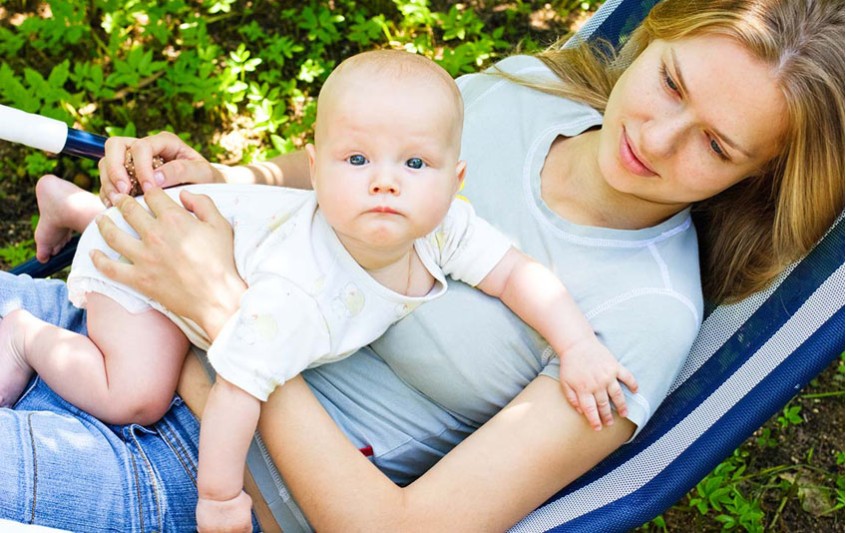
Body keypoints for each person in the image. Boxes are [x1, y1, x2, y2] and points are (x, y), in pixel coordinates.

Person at [0, 0, 842, 531]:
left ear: (754, 176)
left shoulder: (640, 319)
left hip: (195, 480)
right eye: (671, 83)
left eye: (716, 144)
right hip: (132, 323)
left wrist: (226, 320)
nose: (657, 138)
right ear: (653, 35)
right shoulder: (523, 92)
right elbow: (343, 170)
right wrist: (219, 180)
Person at [2, 50, 638, 527]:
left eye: (414, 163)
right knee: (132, 394)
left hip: (196, 263)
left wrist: (577, 344)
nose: (385, 182)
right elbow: (237, 395)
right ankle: (29, 338)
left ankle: (78, 208)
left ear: (455, 178)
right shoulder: (297, 296)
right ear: (319, 167)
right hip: (150, 288)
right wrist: (220, 498)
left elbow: (516, 274)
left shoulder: (443, 227)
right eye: (357, 161)